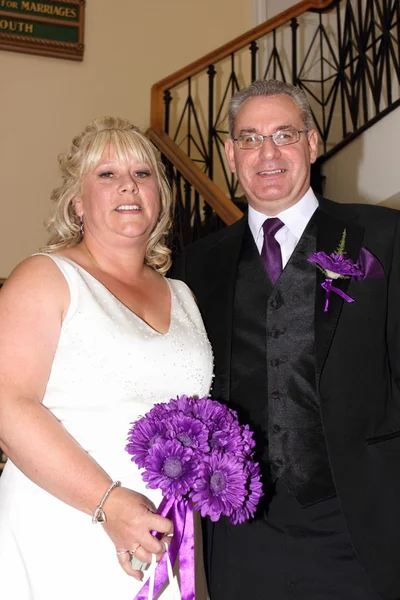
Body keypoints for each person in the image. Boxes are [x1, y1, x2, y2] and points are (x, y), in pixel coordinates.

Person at [172, 79, 400, 600]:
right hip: (244, 535)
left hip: (363, 522)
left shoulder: (386, 237)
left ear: (313, 143)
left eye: (284, 135)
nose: (267, 153)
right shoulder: (195, 264)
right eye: (249, 139)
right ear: (230, 154)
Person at [0, 117, 213, 600]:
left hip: (164, 530)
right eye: (106, 174)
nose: (128, 186)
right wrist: (109, 505)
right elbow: (9, 405)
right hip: (66, 521)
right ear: (77, 202)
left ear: (159, 196)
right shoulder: (44, 276)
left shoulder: (182, 295)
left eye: (142, 174)